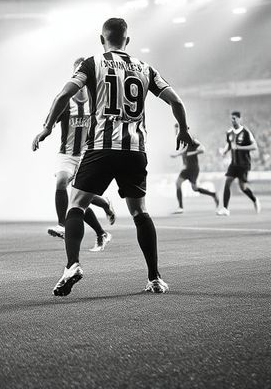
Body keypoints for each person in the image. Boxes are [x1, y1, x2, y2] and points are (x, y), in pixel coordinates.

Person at [32, 17, 192, 296]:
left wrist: (47, 127)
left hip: (101, 148)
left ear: (101, 38)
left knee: (76, 206)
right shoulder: (145, 68)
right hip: (134, 150)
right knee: (140, 212)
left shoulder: (93, 63)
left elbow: (63, 95)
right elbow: (176, 101)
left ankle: (72, 265)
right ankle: (154, 278)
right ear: (127, 40)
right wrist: (185, 132)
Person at [47, 57, 116, 252]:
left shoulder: (97, 101)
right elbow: (51, 120)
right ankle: (62, 225)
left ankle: (101, 231)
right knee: (61, 183)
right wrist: (46, 129)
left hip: (87, 154)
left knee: (78, 200)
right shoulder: (65, 101)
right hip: (67, 154)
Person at [217, 111, 261, 216]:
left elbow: (254, 146)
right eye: (231, 119)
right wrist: (224, 151)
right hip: (233, 164)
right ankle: (225, 209)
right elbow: (229, 145)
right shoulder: (229, 133)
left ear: (240, 119)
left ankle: (255, 200)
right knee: (227, 182)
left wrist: (240, 147)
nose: (233, 121)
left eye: (234, 119)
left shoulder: (246, 132)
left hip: (244, 164)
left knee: (243, 187)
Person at [169, 124, 218, 213]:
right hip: (186, 168)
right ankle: (180, 207)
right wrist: (177, 155)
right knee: (178, 183)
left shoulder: (192, 140)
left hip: (193, 168)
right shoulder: (182, 141)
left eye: (177, 130)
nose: (176, 132)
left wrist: (192, 153)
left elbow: (203, 149)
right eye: (175, 130)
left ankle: (213, 194)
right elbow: (184, 152)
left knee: (194, 188)